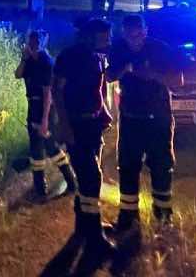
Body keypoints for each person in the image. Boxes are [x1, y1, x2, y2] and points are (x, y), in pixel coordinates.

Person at [106, 14, 182, 230]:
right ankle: (128, 218)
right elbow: (110, 76)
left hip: (158, 118)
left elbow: (178, 80)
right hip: (130, 119)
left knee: (161, 166)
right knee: (128, 167)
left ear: (145, 31)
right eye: (130, 35)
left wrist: (153, 75)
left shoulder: (160, 49)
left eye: (138, 34)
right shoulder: (118, 49)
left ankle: (164, 216)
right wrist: (125, 69)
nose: (134, 39)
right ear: (124, 34)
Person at [53, 19, 116, 252]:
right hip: (76, 125)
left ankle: (84, 225)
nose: (108, 40)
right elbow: (57, 91)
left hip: (93, 125)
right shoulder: (69, 57)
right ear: (91, 36)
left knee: (88, 176)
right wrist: (64, 126)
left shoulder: (98, 57)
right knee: (91, 177)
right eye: (105, 36)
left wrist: (104, 114)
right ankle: (94, 236)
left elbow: (99, 89)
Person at [15, 30, 78, 201]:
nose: (33, 44)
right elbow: (17, 74)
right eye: (31, 41)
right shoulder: (29, 61)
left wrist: (44, 121)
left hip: (45, 110)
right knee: (43, 149)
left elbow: (48, 94)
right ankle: (56, 187)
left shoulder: (46, 63)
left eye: (36, 41)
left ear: (43, 42)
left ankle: (52, 188)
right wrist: (24, 58)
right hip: (33, 106)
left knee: (46, 148)